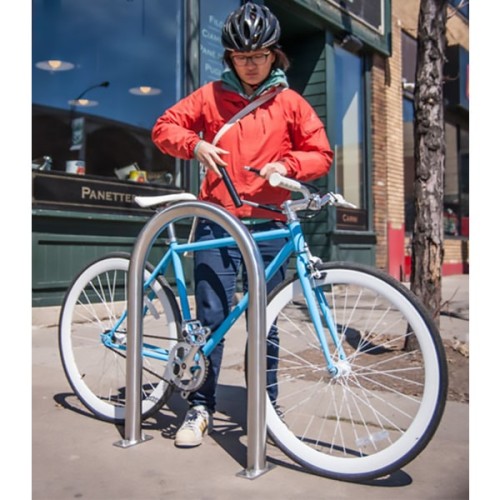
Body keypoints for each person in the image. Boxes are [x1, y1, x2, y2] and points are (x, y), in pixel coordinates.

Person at [151, 1, 333, 448]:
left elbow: (321, 153)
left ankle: (266, 407)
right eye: (241, 57)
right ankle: (200, 406)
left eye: (259, 56)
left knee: (265, 324)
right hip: (218, 223)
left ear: (275, 55)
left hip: (270, 227)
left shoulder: (289, 103)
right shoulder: (211, 96)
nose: (251, 65)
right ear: (230, 57)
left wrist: (287, 164)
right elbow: (163, 127)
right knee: (210, 321)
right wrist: (193, 145)